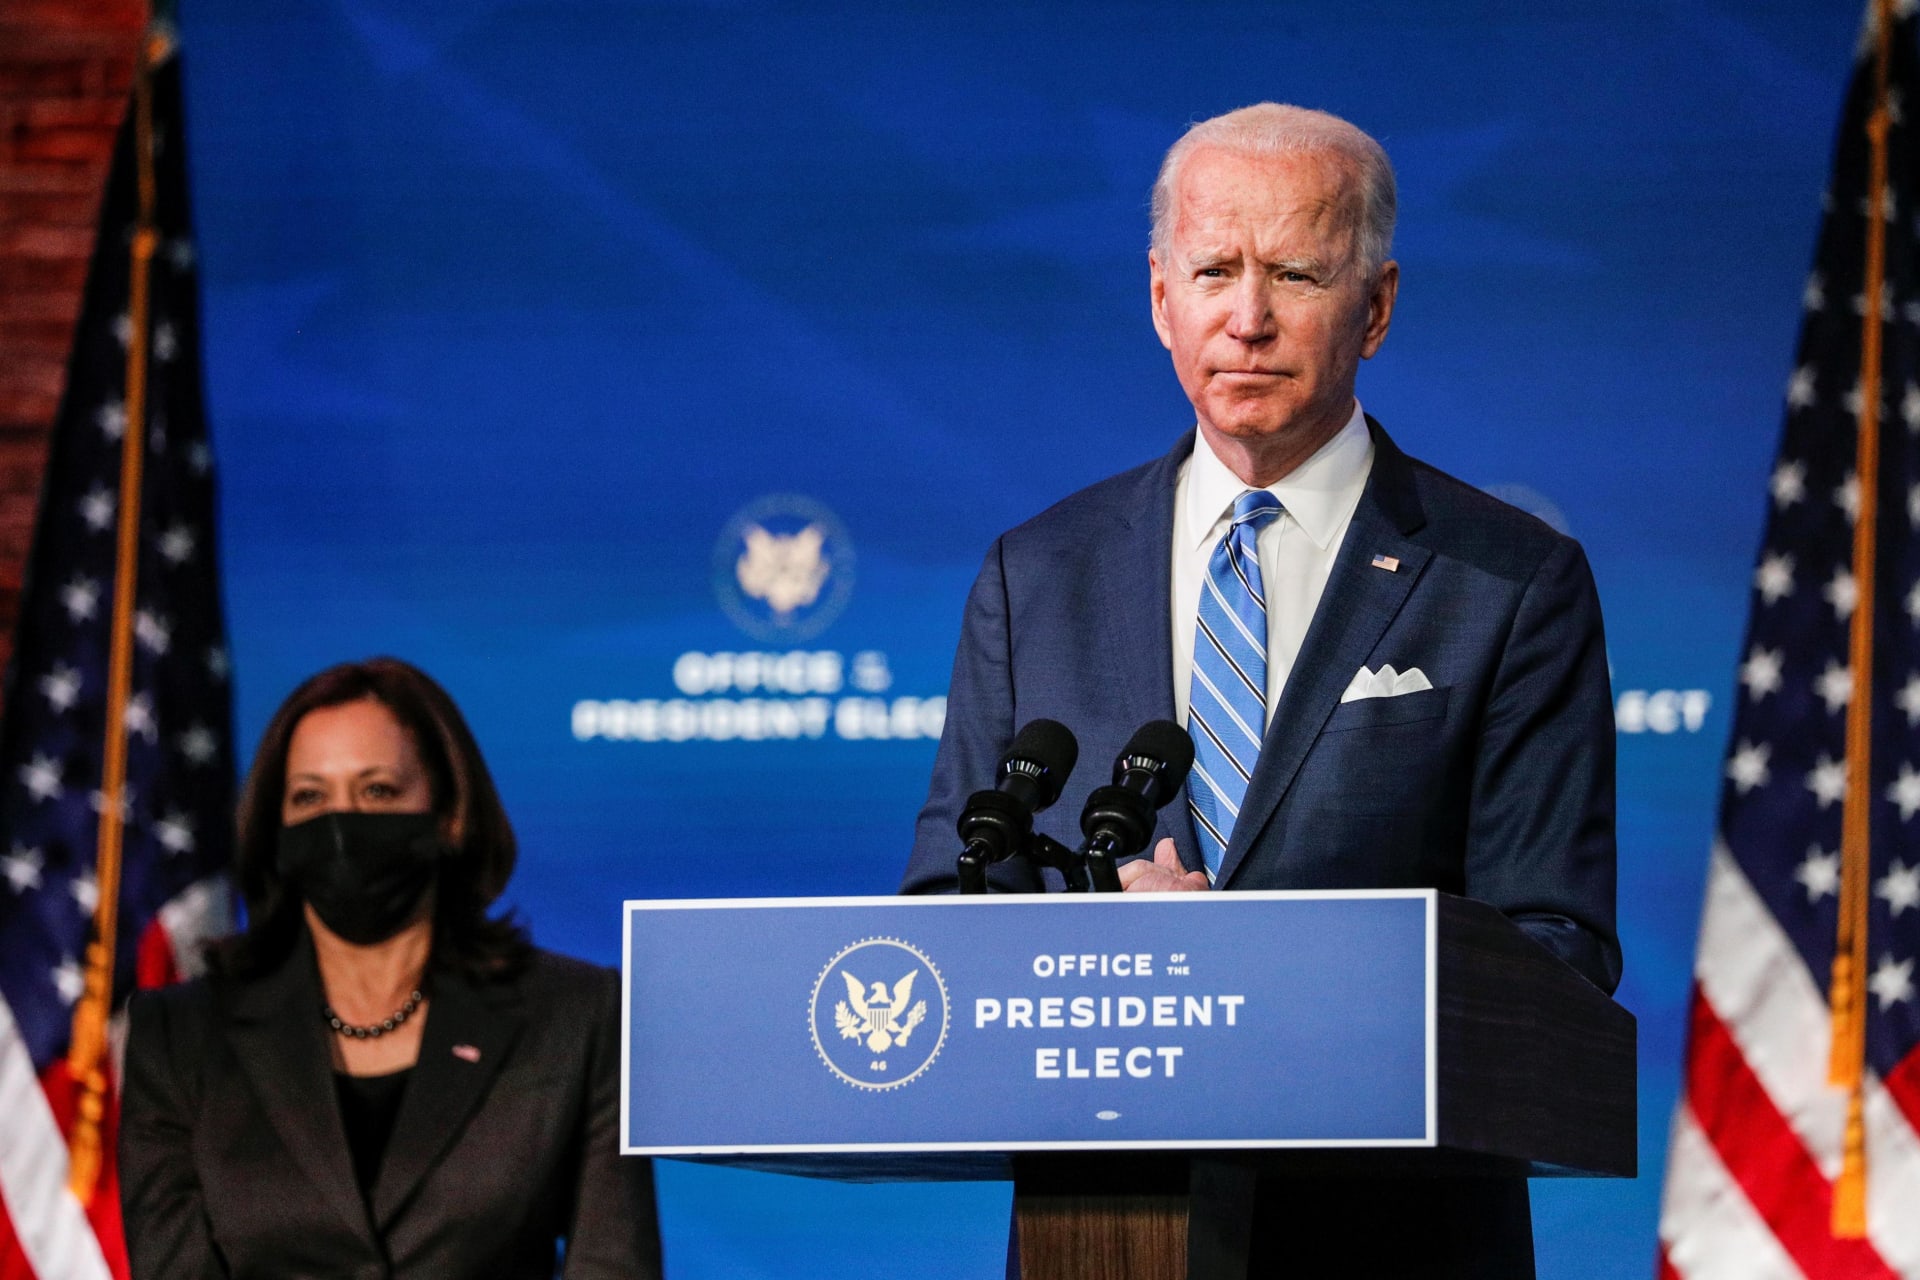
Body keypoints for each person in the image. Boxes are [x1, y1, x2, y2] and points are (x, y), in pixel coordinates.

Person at [901, 103, 1619, 1275]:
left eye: (1295, 271)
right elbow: (951, 907)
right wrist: (1119, 973)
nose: (1249, 317)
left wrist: (1240, 974)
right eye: (1215, 270)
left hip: (1401, 1239)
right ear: (1157, 296)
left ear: (1376, 307)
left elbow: (1554, 953)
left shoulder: (1507, 580)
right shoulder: (1036, 573)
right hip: (1105, 1228)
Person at [120, 658, 662, 1279]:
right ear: (278, 830)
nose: (341, 825)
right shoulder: (180, 1039)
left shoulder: (576, 1017)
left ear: (450, 815)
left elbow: (615, 1267)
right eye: (309, 797)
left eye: (377, 790)